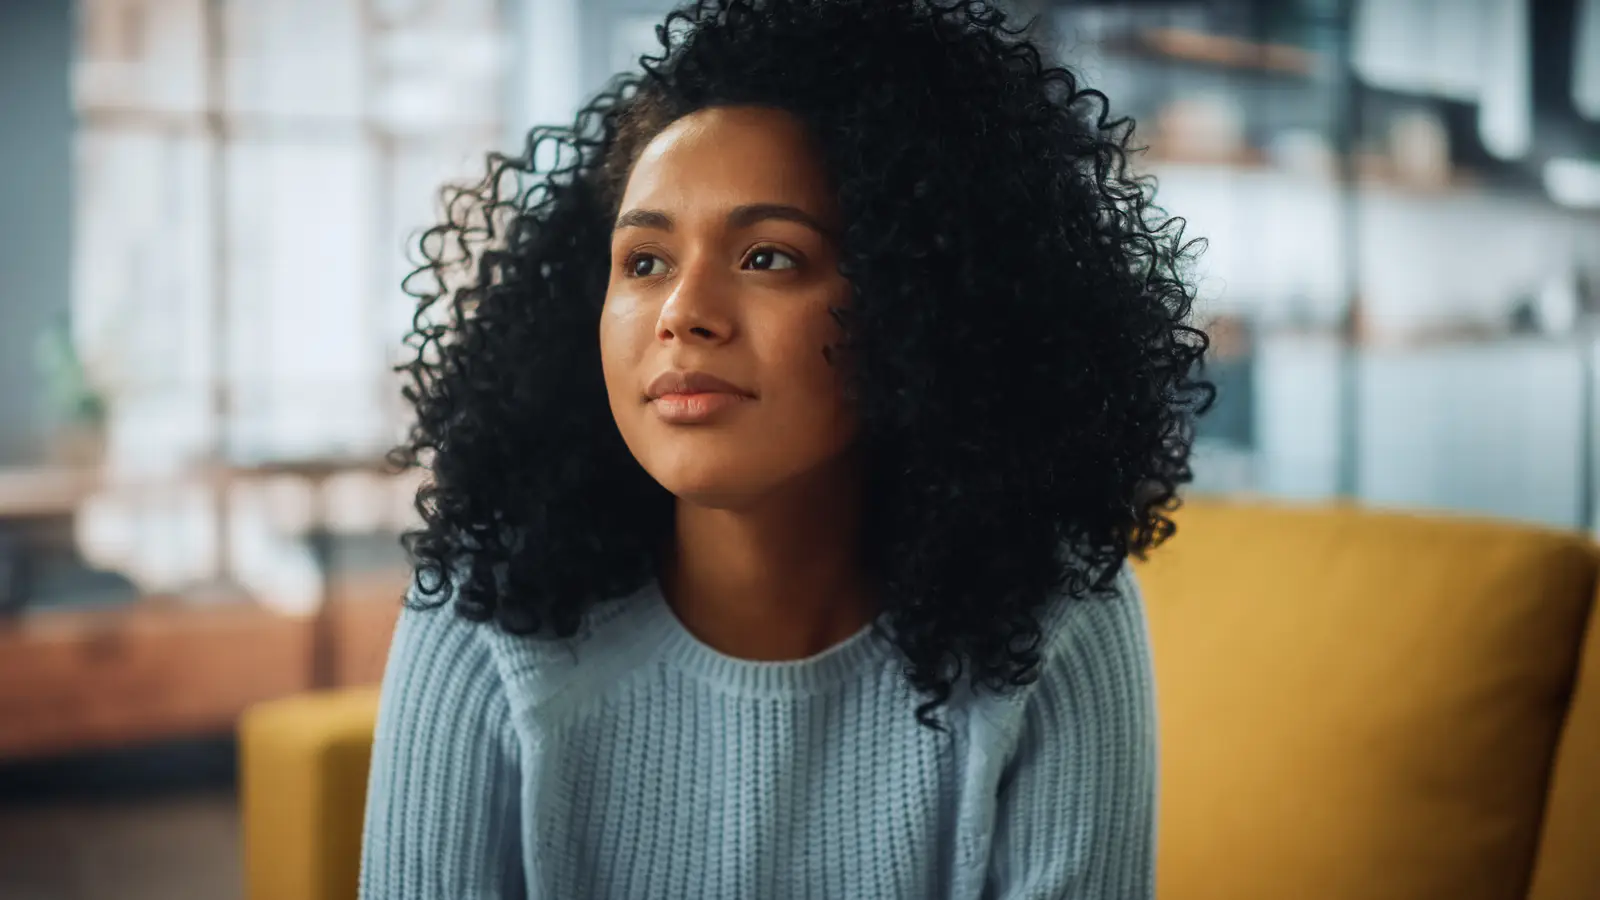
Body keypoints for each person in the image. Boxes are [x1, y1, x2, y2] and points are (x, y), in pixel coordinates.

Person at [360, 0, 1213, 897]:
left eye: (769, 257)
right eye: (643, 262)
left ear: (921, 303)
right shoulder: (485, 610)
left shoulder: (1057, 613)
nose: (683, 311)